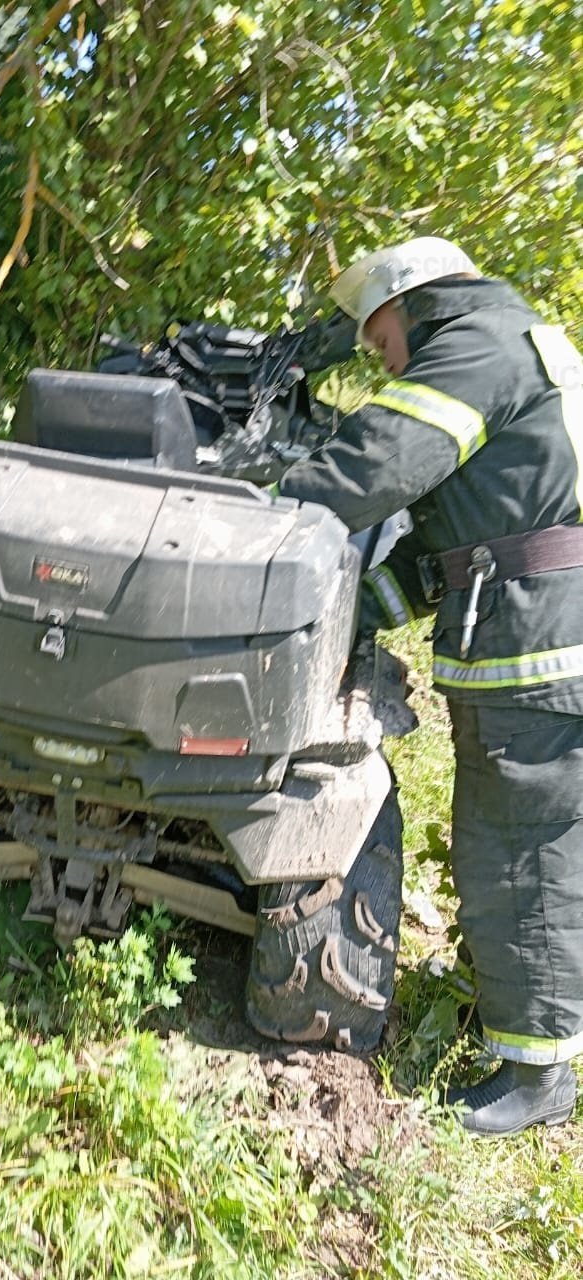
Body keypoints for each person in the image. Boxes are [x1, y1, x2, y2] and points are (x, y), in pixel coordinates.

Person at [277, 235, 583, 1136]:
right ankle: (536, 1027)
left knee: (518, 850)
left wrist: (263, 515)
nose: (382, 360)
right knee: (533, 840)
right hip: (543, 626)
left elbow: (372, 467)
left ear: (414, 301)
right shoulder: (513, 339)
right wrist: (361, 609)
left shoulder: (474, 348)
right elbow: (451, 539)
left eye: (378, 342)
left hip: (538, 646)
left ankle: (537, 1078)